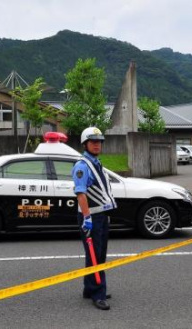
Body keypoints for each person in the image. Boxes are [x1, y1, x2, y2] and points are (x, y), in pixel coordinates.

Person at [72, 127, 117, 310]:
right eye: (93, 142)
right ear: (85, 144)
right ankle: (98, 294)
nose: (97, 145)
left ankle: (90, 289)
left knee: (98, 255)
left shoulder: (97, 163)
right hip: (91, 216)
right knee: (95, 256)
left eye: (99, 142)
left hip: (101, 215)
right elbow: (81, 194)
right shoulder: (82, 166)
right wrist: (87, 217)